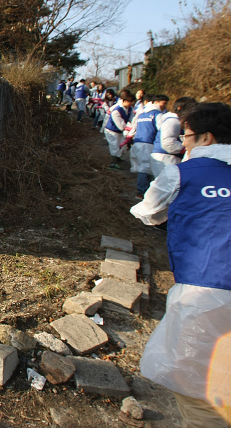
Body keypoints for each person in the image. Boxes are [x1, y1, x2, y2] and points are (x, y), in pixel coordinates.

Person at [131, 102, 231, 428]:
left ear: (206, 138)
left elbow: (148, 211)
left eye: (186, 136)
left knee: (201, 393)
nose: (183, 143)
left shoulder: (181, 173)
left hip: (205, 295)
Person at [149, 97, 198, 178]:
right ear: (180, 108)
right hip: (165, 158)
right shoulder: (172, 121)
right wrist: (187, 148)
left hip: (170, 158)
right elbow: (168, 143)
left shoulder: (176, 120)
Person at [130, 94, 161, 197]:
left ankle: (144, 190)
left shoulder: (141, 114)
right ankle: (142, 192)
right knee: (145, 167)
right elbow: (161, 129)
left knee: (143, 166)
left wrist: (129, 138)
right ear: (155, 102)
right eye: (163, 103)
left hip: (138, 142)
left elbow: (133, 127)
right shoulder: (157, 114)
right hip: (148, 143)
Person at [104, 90, 135, 168]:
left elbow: (131, 119)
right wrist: (129, 128)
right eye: (130, 102)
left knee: (121, 144)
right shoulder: (117, 110)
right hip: (112, 130)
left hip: (119, 131)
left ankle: (118, 157)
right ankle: (113, 162)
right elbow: (121, 125)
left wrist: (134, 125)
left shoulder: (130, 108)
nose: (131, 104)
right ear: (124, 101)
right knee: (114, 144)